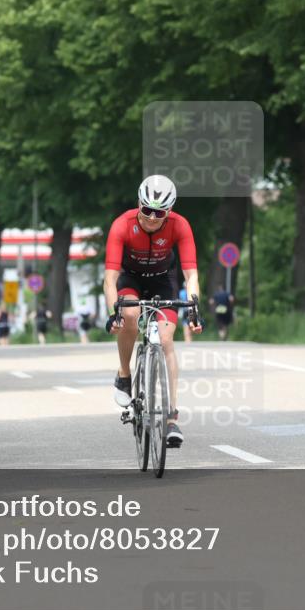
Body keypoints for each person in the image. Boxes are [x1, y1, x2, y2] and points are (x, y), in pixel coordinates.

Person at [103, 174, 202, 448]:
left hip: (164, 279)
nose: (150, 217)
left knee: (167, 340)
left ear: (168, 212)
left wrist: (194, 308)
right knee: (130, 318)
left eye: (158, 213)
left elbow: (191, 274)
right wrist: (115, 313)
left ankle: (171, 418)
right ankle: (124, 375)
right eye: (146, 210)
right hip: (130, 279)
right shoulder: (122, 225)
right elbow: (110, 279)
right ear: (139, 204)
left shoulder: (180, 225)